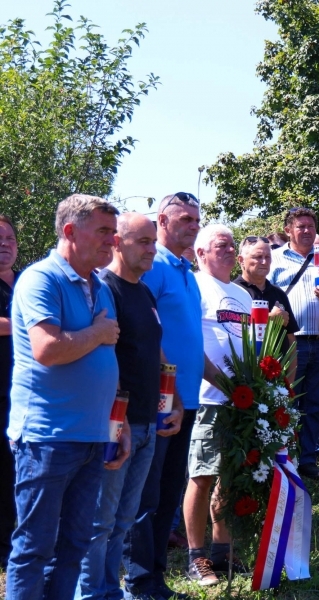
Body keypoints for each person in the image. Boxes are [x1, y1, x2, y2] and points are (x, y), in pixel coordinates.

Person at [5, 194, 123, 600]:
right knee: (35, 548)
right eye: (104, 231)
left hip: (92, 435)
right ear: (71, 231)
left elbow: (105, 363)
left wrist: (116, 423)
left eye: (114, 231)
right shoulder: (42, 279)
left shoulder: (98, 285)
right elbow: (48, 349)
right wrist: (97, 333)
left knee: (74, 546)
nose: (113, 240)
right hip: (47, 438)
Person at [77, 213, 178, 599]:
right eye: (144, 242)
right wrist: (115, 421)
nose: (152, 250)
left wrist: (174, 401)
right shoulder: (106, 289)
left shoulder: (144, 292)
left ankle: (110, 591)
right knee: (101, 520)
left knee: (125, 518)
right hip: (118, 424)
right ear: (117, 243)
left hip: (149, 421)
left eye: (154, 242)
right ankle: (92, 593)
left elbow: (155, 350)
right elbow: (104, 357)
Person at [123, 192, 204, 600]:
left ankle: (155, 579)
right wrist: (166, 393)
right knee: (145, 496)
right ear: (163, 221)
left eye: (196, 220)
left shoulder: (187, 271)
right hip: (159, 400)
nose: (193, 225)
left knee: (168, 492)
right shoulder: (153, 269)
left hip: (187, 401)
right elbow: (145, 333)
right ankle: (138, 581)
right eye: (185, 219)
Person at [184, 225, 252, 587]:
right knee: (202, 474)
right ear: (201, 253)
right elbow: (189, 340)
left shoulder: (240, 293)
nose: (228, 250)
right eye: (220, 245)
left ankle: (223, 550)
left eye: (231, 245)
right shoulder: (194, 286)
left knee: (230, 474)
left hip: (240, 399)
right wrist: (219, 381)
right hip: (208, 397)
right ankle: (196, 557)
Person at [269, 207, 319, 482]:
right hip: (288, 343)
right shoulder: (274, 259)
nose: (307, 231)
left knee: (317, 404)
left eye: (311, 226)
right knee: (287, 403)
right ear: (288, 230)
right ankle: (285, 458)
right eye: (301, 227)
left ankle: (309, 459)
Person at [233, 235, 299, 362]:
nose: (264, 262)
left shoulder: (278, 293)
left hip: (278, 375)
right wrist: (270, 319)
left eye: (267, 257)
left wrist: (289, 380)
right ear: (241, 260)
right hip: (243, 374)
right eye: (258, 257)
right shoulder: (233, 291)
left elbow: (291, 340)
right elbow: (232, 329)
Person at [0, 215, 18, 568]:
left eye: (10, 239)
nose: (4, 244)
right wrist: (37, 323)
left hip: (22, 395)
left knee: (13, 473)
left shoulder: (23, 282)